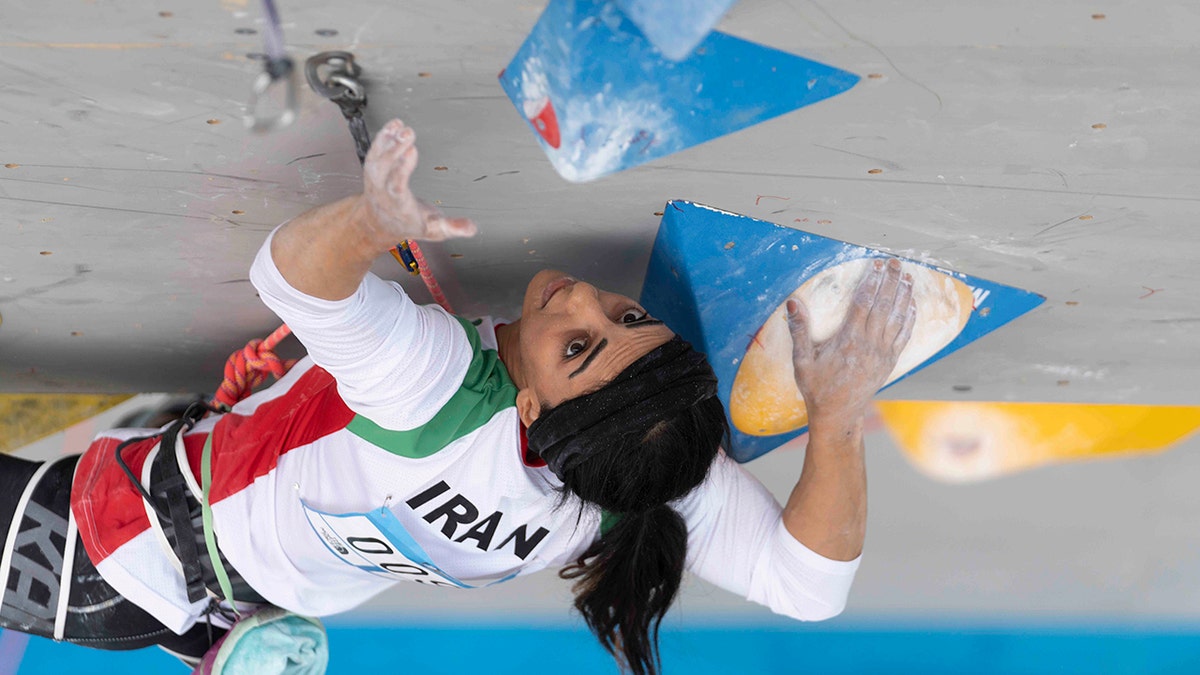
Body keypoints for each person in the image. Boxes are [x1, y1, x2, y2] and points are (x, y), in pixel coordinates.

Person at [0, 119, 916, 675]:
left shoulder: (431, 388)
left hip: (116, 547)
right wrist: (836, 416)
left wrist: (370, 222)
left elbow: (290, 280)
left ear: (530, 412)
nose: (584, 300)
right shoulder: (629, 473)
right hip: (237, 587)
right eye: (629, 313)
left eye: (580, 346)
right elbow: (809, 587)